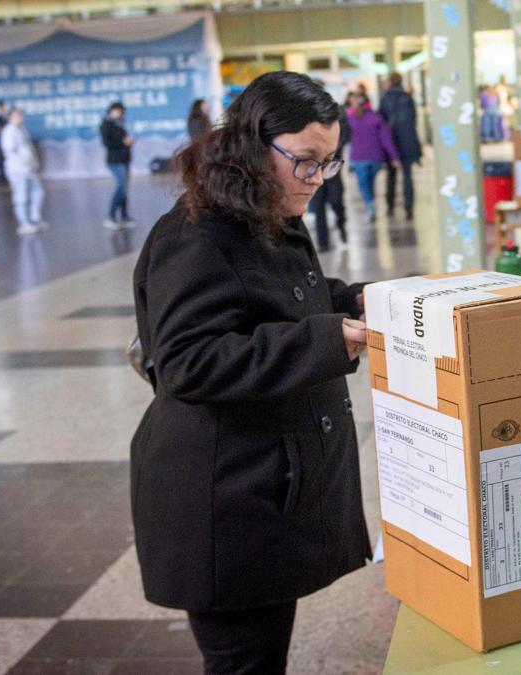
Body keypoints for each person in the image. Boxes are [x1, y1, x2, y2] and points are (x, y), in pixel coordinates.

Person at [131, 70, 370, 674]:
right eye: (306, 161)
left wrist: (353, 301)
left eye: (329, 162)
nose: (317, 178)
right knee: (245, 662)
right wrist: (324, 340)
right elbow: (187, 361)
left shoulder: (264, 208)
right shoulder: (196, 234)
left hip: (261, 486)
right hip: (220, 498)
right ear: (254, 145)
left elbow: (275, 297)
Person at [345, 90, 399, 224]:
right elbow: (386, 139)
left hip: (359, 158)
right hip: (375, 158)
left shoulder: (350, 120)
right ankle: (371, 205)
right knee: (369, 184)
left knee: (364, 185)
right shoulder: (376, 118)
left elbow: (345, 139)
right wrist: (394, 157)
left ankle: (370, 206)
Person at [378, 72, 421, 222]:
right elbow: (413, 122)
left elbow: (381, 123)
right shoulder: (408, 98)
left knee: (391, 176)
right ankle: (409, 209)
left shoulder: (385, 98)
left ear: (390, 82)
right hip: (408, 143)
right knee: (408, 177)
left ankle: (390, 207)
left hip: (391, 144)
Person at [1, 108, 48, 237]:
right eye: (17, 115)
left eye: (20, 115)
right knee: (21, 196)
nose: (20, 117)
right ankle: (23, 223)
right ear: (10, 117)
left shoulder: (21, 129)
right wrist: (21, 163)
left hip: (29, 169)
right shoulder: (9, 131)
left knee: (38, 192)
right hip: (17, 169)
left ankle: (35, 219)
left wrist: (33, 164)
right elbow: (9, 150)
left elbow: (28, 149)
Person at [309, 109, 350, 251]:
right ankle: (323, 243)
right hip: (315, 170)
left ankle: (341, 225)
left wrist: (336, 144)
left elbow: (346, 133)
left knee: (336, 202)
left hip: (332, 171)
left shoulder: (336, 120)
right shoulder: (308, 123)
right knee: (318, 207)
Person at [100, 102, 134, 230]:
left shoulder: (119, 124)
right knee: (121, 188)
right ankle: (111, 216)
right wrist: (123, 142)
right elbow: (107, 143)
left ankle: (124, 216)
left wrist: (128, 142)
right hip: (115, 161)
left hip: (124, 159)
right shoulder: (106, 124)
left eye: (121, 111)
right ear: (111, 111)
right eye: (118, 111)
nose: (120, 113)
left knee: (124, 189)